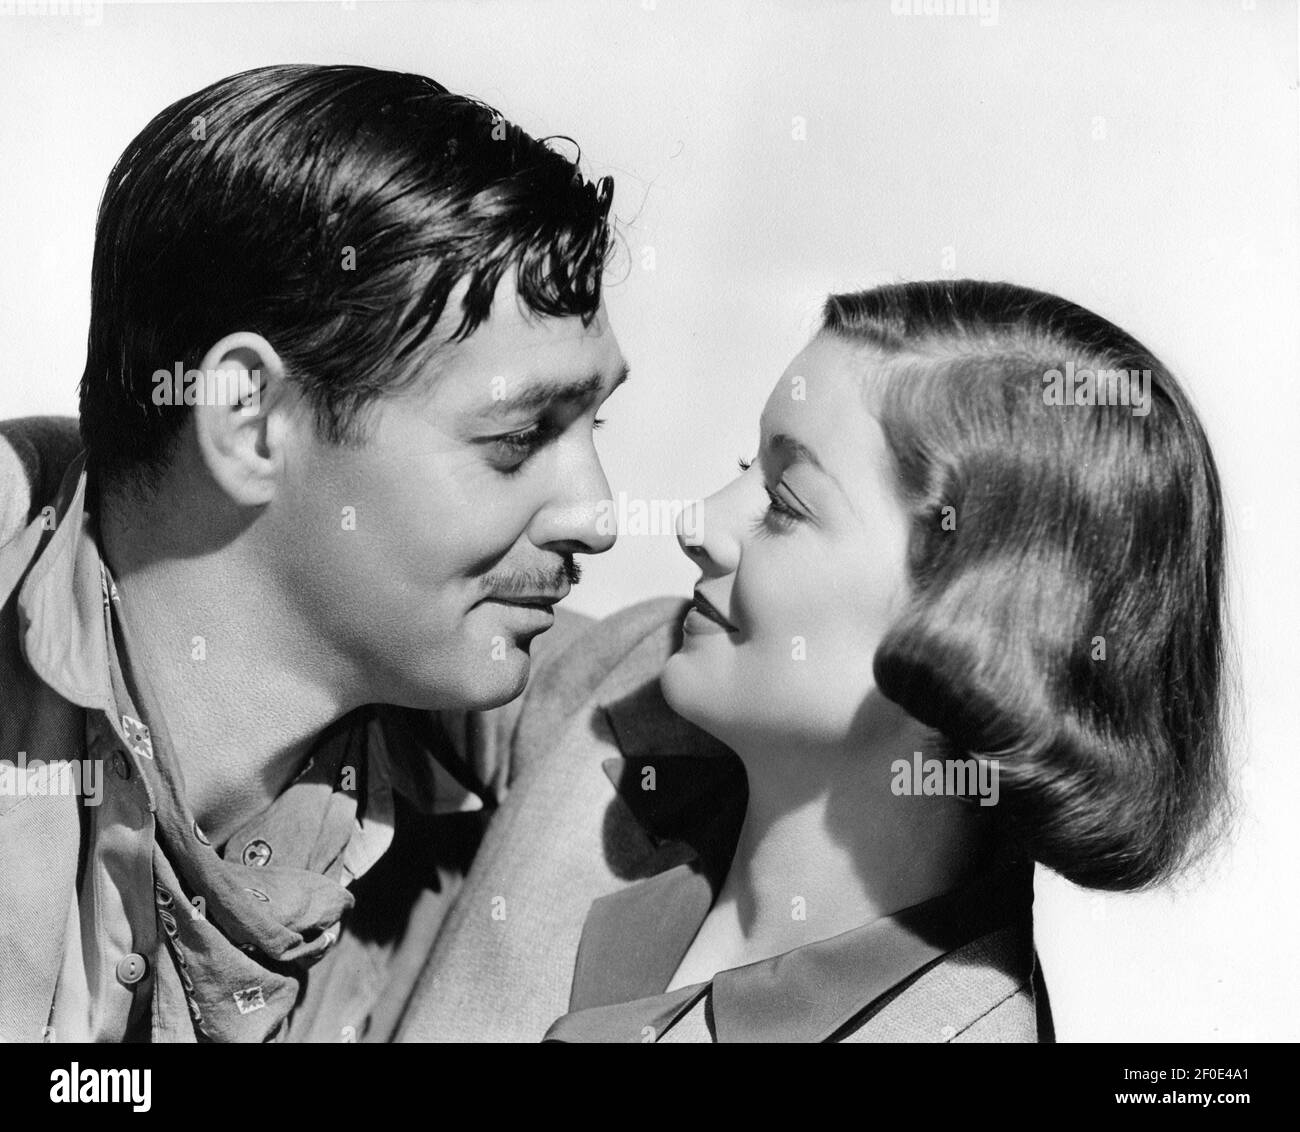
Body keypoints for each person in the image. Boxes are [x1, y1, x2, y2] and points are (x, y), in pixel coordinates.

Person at [399, 280, 1229, 1043]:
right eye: (744, 469)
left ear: (979, 622)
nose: (697, 522)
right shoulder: (634, 688)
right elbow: (361, 619)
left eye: (786, 502)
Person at [0, 63, 626, 1042]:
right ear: (252, 421)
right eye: (514, 438)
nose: (596, 513)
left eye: (595, 426)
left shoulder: (504, 700)